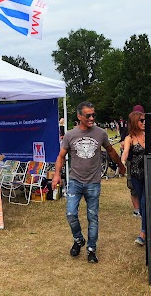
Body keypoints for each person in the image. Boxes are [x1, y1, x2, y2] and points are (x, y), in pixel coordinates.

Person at [51, 102, 125, 263]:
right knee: (71, 214)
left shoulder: (101, 133)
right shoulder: (70, 135)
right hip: (75, 181)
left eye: (93, 115)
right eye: (88, 115)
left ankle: (91, 249)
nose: (92, 118)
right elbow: (61, 156)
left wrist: (120, 165)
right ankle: (78, 240)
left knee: (93, 217)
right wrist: (57, 174)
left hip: (93, 182)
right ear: (79, 117)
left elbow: (111, 150)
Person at [122, 111, 147, 246]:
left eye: (144, 120)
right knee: (142, 204)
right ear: (134, 122)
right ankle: (147, 228)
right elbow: (125, 152)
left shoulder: (150, 135)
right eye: (141, 120)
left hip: (150, 174)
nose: (143, 123)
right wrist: (121, 163)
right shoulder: (129, 138)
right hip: (136, 174)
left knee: (144, 202)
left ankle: (143, 232)